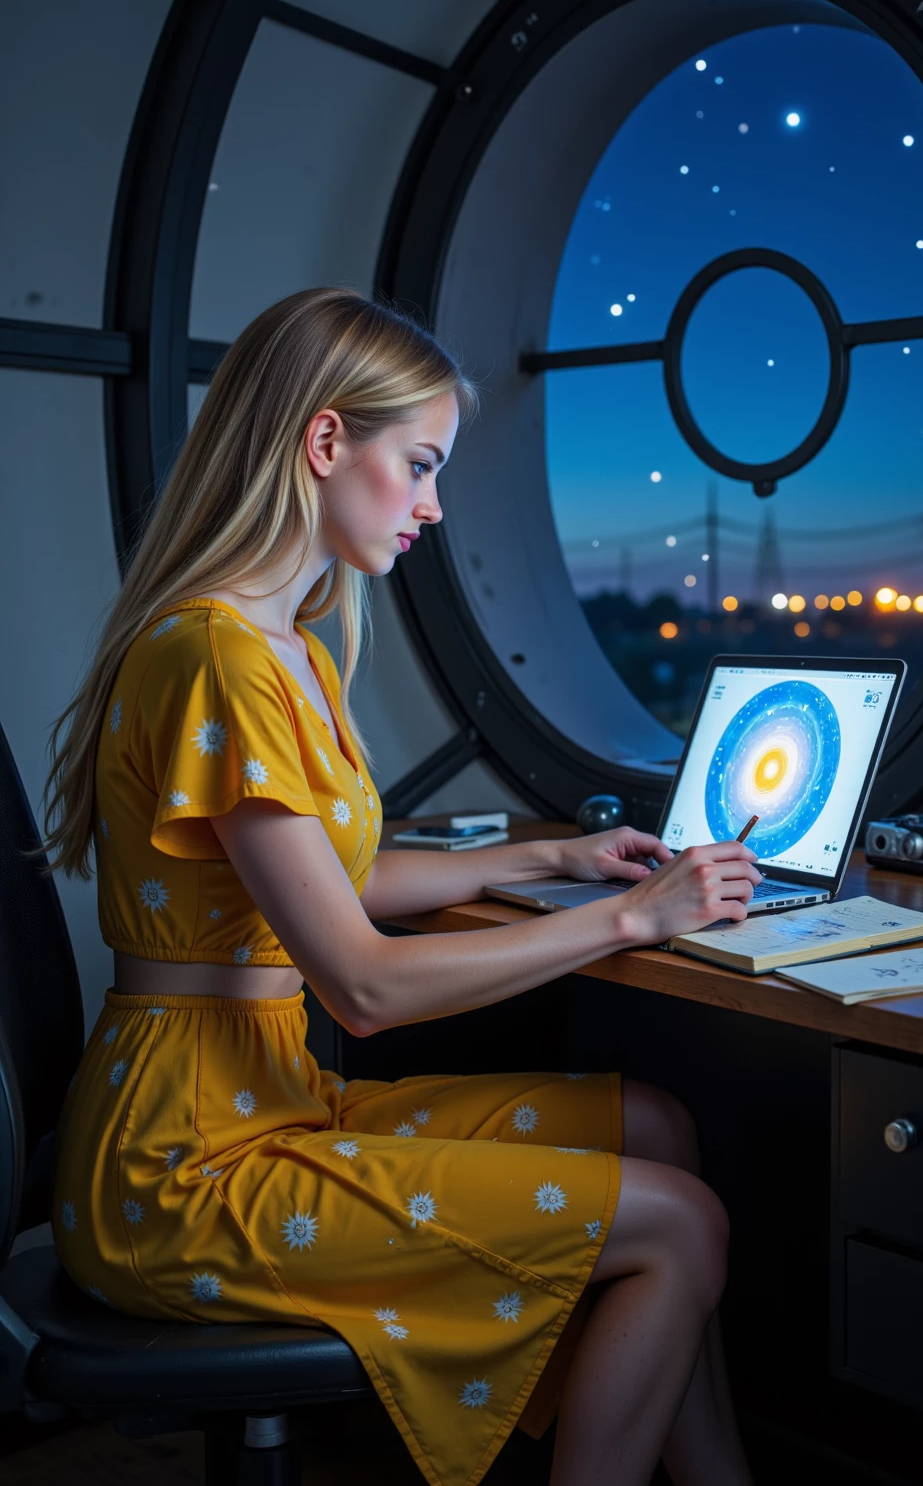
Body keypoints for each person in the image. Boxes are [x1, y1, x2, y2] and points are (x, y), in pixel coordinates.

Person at [28, 288, 760, 1486]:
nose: (431, 506)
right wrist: (632, 918)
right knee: (682, 1221)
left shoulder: (290, 647)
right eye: (419, 466)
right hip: (183, 1163)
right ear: (325, 442)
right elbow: (362, 988)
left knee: (655, 1129)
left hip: (272, 1100)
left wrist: (548, 860)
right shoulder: (215, 656)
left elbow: (334, 879)